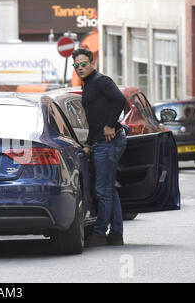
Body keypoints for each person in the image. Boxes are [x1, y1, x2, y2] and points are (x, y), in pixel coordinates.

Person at [72, 48, 127, 247]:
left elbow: (120, 99)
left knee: (103, 189)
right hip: (101, 142)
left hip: (110, 141)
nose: (80, 68)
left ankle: (100, 233)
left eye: (83, 64)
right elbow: (94, 119)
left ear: (92, 63)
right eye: (76, 65)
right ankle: (116, 234)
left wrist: (110, 124)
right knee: (108, 189)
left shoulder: (101, 81)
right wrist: (89, 142)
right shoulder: (88, 85)